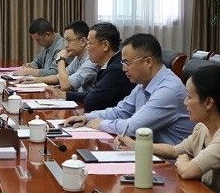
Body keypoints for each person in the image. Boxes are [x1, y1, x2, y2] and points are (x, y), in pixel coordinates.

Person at [63, 33, 194, 144]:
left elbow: (133, 127)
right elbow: (121, 111)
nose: (123, 68)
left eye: (127, 63)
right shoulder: (144, 83)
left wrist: (100, 124)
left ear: (148, 62)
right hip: (145, 152)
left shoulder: (168, 90)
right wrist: (87, 117)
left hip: (169, 162)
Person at [43, 22, 135, 111]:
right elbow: (93, 95)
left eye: (90, 43)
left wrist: (60, 59)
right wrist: (63, 95)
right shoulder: (108, 64)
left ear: (105, 45)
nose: (87, 48)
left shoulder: (116, 69)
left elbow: (92, 100)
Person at [23, 20, 96, 93]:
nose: (65, 45)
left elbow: (65, 86)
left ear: (83, 41)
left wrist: (60, 59)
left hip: (85, 99)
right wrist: (34, 80)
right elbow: (58, 77)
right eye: (65, 40)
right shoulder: (77, 57)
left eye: (68, 40)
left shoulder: (91, 61)